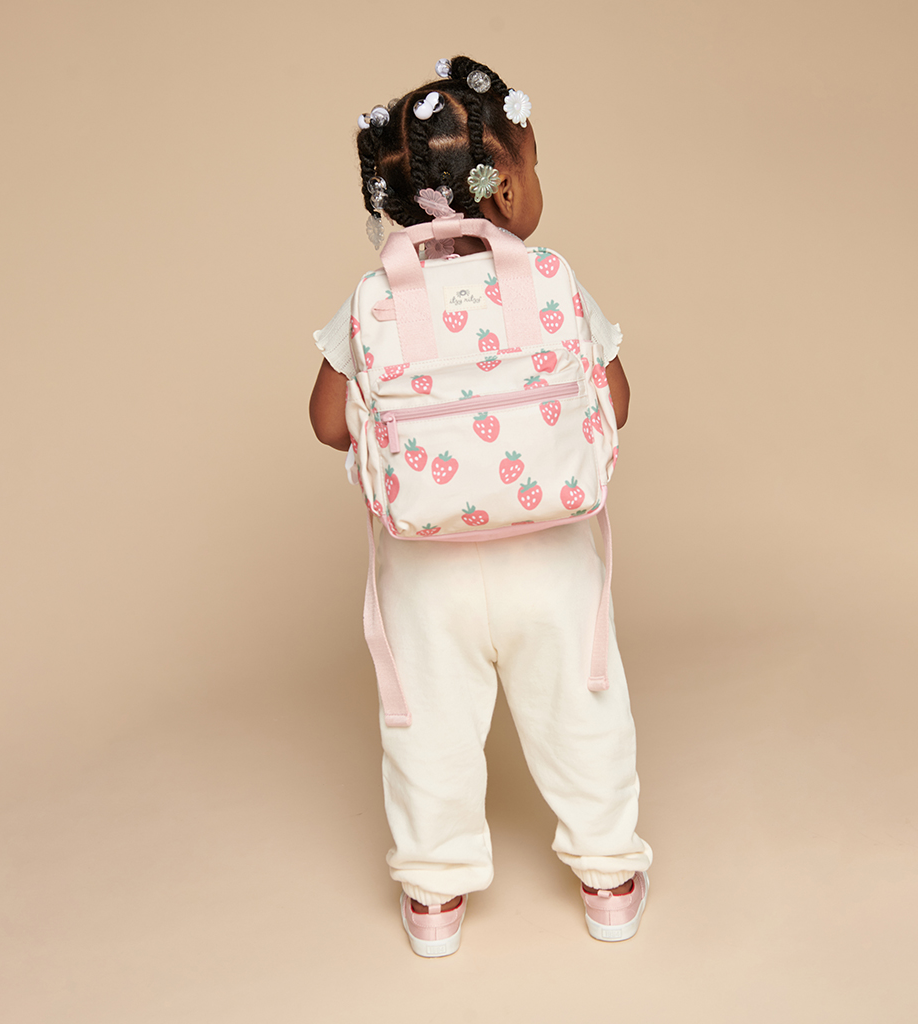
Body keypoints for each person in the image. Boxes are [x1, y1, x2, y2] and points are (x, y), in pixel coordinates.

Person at [308, 56, 652, 957]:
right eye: (533, 166)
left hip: (427, 577)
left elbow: (328, 424)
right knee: (580, 711)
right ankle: (610, 879)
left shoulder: (377, 299)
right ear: (504, 186)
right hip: (552, 563)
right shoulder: (550, 279)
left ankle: (434, 898)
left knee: (429, 728)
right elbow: (615, 402)